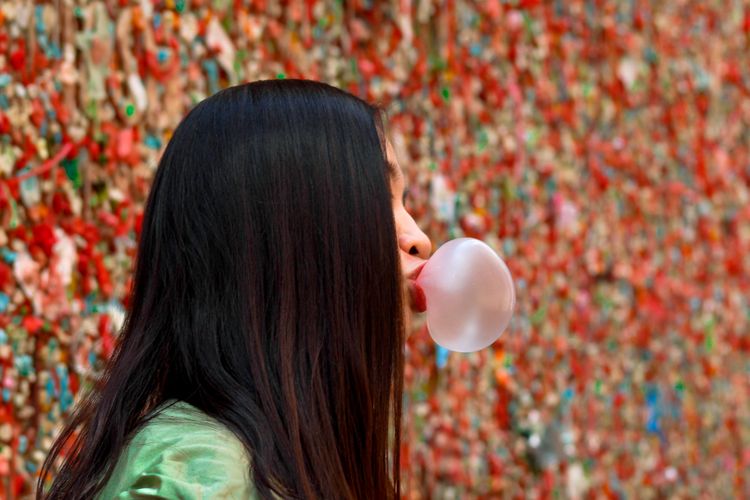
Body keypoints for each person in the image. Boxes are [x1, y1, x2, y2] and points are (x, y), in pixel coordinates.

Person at [36, 79, 432, 499]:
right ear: (288, 240)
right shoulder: (192, 472)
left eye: (403, 202)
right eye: (379, 199)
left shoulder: (279, 461)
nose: (420, 239)